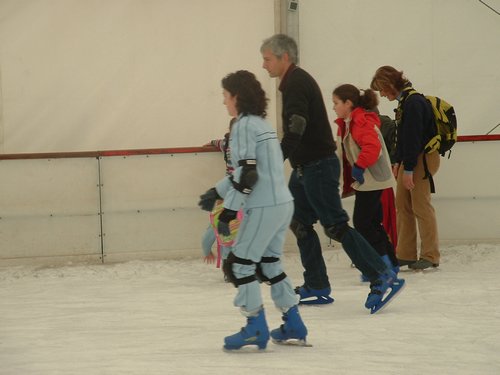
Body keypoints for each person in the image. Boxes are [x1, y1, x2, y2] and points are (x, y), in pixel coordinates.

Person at [260, 34, 404, 313]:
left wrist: (276, 158)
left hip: (318, 165)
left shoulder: (297, 83)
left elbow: (297, 125)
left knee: (335, 225)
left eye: (267, 59)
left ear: (284, 57)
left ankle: (381, 274)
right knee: (299, 221)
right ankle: (317, 283)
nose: (264, 65)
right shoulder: (291, 83)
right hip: (304, 168)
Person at [198, 70, 308, 351]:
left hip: (264, 205)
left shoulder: (244, 126)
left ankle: (254, 328)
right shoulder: (262, 124)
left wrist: (228, 212)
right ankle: (293, 322)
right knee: (269, 264)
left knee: (238, 265)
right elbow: (253, 170)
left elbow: (248, 175)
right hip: (282, 202)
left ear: (236, 96)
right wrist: (217, 192)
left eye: (225, 96)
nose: (224, 102)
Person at [370, 66, 440, 270]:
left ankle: (430, 255)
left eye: (382, 90)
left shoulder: (414, 102)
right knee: (403, 205)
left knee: (421, 205)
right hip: (410, 159)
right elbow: (402, 138)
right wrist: (397, 161)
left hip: (422, 158)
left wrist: (408, 169)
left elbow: (413, 139)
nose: (382, 94)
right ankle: (406, 253)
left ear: (389, 85)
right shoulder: (405, 102)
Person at [332, 84, 399, 280]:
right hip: (370, 181)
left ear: (348, 103)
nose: (334, 107)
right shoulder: (352, 121)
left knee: (363, 223)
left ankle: (382, 265)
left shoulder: (360, 121)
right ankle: (390, 263)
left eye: (336, 103)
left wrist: (360, 166)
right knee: (371, 222)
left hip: (372, 180)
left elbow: (373, 146)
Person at [201, 118, 237, 268]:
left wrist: (211, 142)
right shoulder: (247, 144)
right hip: (237, 188)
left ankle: (229, 266)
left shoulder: (226, 142)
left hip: (228, 188)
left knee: (220, 224)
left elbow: (217, 142)